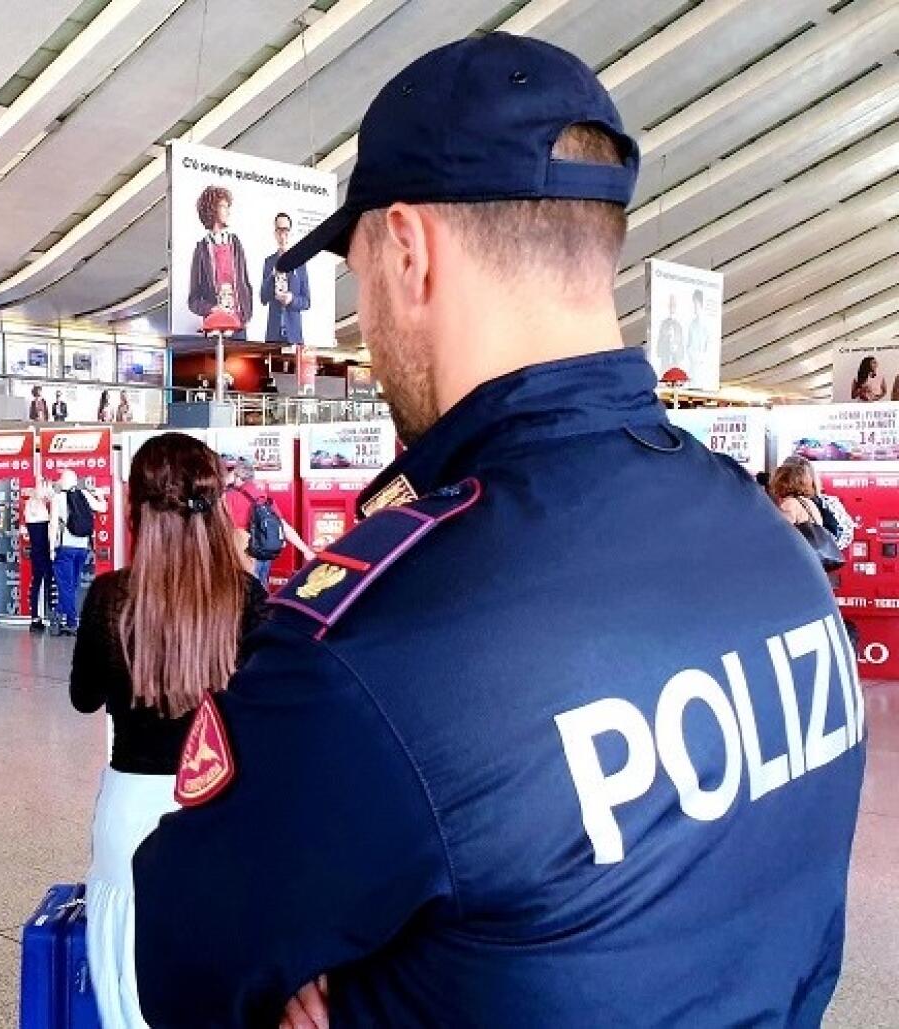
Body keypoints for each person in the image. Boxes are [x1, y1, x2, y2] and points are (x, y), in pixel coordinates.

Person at [132, 34, 865, 1028]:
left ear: (409, 249)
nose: (366, 327)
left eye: (357, 278)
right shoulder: (768, 542)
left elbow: (188, 961)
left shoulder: (379, 647)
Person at [69, 433, 268, 1029]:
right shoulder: (246, 597)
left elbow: (84, 698)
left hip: (131, 814)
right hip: (222, 810)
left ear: (137, 509)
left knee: (131, 994)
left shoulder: (110, 597)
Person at [224, 459, 313, 585]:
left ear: (235, 475)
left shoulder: (230, 497)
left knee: (244, 596)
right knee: (262, 592)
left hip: (245, 556)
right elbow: (283, 526)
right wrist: (305, 550)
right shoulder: (261, 496)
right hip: (264, 554)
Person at [187, 184, 252, 336]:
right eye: (224, 206)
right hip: (215, 327)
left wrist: (247, 315)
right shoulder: (201, 249)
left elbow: (246, 285)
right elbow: (193, 300)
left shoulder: (235, 243)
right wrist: (212, 309)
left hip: (238, 325)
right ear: (212, 210)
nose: (228, 211)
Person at [49, 468, 105, 636]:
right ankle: (58, 615)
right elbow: (102, 508)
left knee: (65, 586)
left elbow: (53, 526)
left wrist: (52, 548)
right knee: (71, 585)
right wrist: (101, 495)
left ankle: (72, 622)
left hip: (65, 547)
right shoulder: (85, 495)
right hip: (82, 547)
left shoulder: (57, 498)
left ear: (63, 481)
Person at [261, 212, 311, 344]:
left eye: (286, 230)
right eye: (279, 230)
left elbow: (306, 301)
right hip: (273, 334)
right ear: (275, 233)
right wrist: (272, 275)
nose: (283, 235)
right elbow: (263, 297)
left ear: (291, 232)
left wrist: (292, 299)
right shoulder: (269, 262)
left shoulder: (300, 263)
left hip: (294, 335)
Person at [21, 485, 54, 634]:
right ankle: (50, 616)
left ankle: (36, 617)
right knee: (48, 584)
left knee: (36, 584)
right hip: (46, 553)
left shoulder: (28, 508)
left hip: (36, 552)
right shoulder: (42, 509)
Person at [655, 292, 685, 373]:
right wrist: (666, 340)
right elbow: (658, 349)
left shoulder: (679, 326)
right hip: (665, 366)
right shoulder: (664, 324)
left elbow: (682, 352)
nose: (672, 307)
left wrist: (676, 349)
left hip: (675, 367)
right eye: (671, 304)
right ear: (668, 306)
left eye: (674, 305)